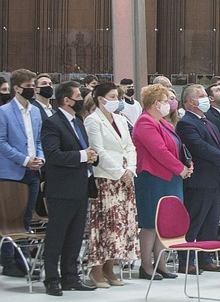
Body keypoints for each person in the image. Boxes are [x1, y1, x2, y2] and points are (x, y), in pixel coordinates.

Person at [41, 81, 98, 295]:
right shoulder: (52, 123)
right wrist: (83, 156)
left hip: (80, 186)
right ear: (66, 100)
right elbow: (53, 155)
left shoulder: (78, 122)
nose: (81, 101)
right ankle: (52, 279)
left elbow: (84, 150)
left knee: (75, 235)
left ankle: (70, 276)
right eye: (78, 97)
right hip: (62, 189)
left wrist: (92, 156)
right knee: (57, 236)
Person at [132, 84, 192, 281]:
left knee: (163, 223)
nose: (169, 104)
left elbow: (177, 146)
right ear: (156, 103)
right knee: (150, 223)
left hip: (170, 178)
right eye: (166, 101)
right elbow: (160, 152)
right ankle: (146, 266)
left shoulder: (164, 122)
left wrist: (187, 163)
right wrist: (180, 168)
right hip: (153, 178)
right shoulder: (145, 123)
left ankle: (161, 264)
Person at [84, 82, 139, 288]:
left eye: (117, 96)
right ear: (100, 99)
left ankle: (110, 267)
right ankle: (96, 270)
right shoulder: (93, 120)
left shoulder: (120, 119)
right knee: (105, 224)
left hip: (125, 179)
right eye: (113, 96)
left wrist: (131, 168)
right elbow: (99, 150)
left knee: (120, 226)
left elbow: (130, 145)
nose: (117, 100)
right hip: (105, 178)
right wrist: (119, 172)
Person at [175, 84, 220, 273]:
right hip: (199, 179)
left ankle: (205, 257)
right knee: (194, 221)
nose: (206, 99)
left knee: (210, 221)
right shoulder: (186, 123)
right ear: (190, 102)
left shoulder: (207, 120)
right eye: (200, 96)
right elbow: (198, 146)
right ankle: (186, 260)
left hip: (214, 179)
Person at [0, 69, 45, 278]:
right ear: (17, 88)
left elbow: (38, 139)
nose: (33, 91)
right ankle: (8, 261)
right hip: (11, 172)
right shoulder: (4, 112)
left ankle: (23, 260)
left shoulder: (35, 111)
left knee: (27, 217)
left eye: (33, 87)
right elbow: (2, 142)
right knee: (10, 218)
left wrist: (40, 158)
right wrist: (25, 160)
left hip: (33, 171)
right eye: (29, 87)